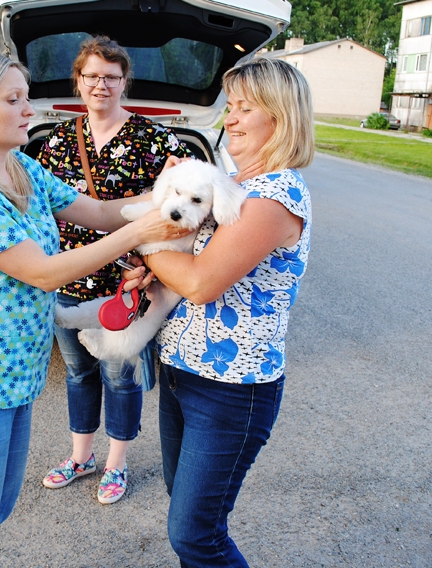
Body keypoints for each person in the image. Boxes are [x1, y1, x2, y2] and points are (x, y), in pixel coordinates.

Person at [0, 50, 188, 568]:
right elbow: (43, 271)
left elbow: (102, 213)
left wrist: (171, 192)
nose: (28, 110)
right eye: (13, 100)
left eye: (26, 98)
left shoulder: (21, 170)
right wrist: (142, 233)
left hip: (10, 376)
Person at [141, 57, 314, 566]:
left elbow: (199, 282)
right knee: (186, 511)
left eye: (244, 109)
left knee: (196, 535)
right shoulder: (228, 184)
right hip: (181, 372)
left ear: (280, 118)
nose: (229, 119)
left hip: (231, 391)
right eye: (229, 107)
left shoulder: (277, 194)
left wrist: (144, 248)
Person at [35, 36, 192, 504]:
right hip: (68, 277)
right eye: (92, 76)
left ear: (125, 81)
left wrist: (149, 263)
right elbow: (42, 210)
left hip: (126, 282)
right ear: (78, 82)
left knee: (119, 373)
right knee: (79, 372)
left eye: (110, 76)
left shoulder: (155, 138)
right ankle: (80, 456)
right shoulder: (59, 140)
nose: (100, 84)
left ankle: (115, 464)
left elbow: (176, 209)